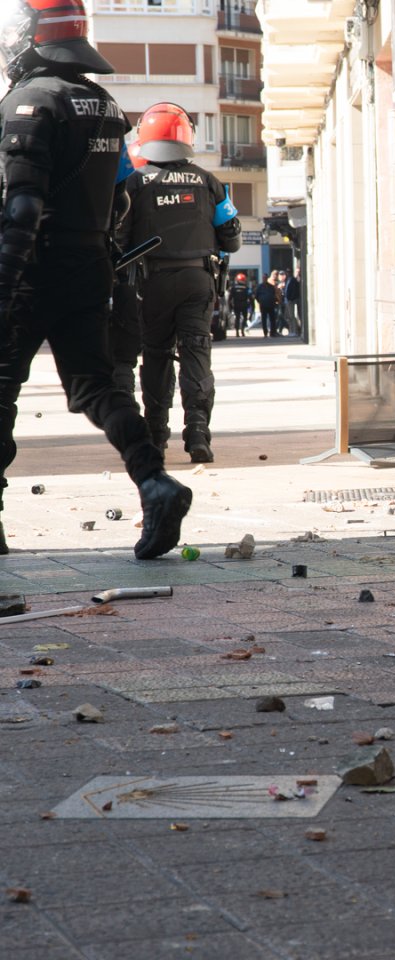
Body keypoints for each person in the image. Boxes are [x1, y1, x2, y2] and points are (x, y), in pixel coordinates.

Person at [0, 0, 191, 558]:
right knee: (95, 388)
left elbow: (22, 207)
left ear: (31, 37)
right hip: (90, 267)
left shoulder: (29, 103)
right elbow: (120, 197)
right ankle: (155, 482)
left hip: (34, 268)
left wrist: (6, 279)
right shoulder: (106, 106)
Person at [118, 102, 241, 464]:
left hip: (151, 282)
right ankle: (198, 433)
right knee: (196, 353)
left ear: (145, 138)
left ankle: (156, 437)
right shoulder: (208, 181)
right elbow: (232, 238)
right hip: (198, 280)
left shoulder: (135, 183)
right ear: (187, 137)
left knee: (156, 356)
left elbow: (119, 239)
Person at [254, 272, 277, 337]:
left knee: (272, 319)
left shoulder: (271, 286)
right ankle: (265, 332)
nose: (265, 279)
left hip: (271, 305)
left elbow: (274, 295)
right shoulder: (259, 287)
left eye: (266, 277)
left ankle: (272, 332)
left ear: (267, 278)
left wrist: (273, 301)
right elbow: (256, 296)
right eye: (264, 278)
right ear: (262, 278)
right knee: (264, 319)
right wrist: (260, 301)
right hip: (263, 305)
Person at [229, 271, 251, 337]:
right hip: (244, 304)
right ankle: (242, 331)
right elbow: (250, 297)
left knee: (237, 318)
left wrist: (230, 306)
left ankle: (237, 332)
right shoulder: (246, 288)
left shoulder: (233, 288)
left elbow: (230, 298)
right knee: (244, 318)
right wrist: (251, 305)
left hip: (236, 304)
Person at [284, 267, 301, 338]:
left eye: (289, 272)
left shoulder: (293, 280)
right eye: (287, 272)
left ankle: (294, 331)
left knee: (292, 316)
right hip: (287, 300)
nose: (288, 273)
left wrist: (291, 298)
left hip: (291, 300)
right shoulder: (287, 280)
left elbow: (294, 291)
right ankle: (291, 331)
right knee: (288, 317)